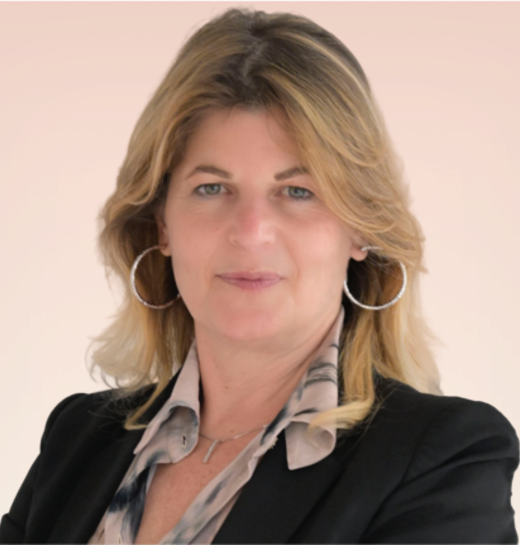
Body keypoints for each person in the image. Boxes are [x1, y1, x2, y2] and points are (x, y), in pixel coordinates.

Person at [1, 6, 518, 545]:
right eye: (211, 188)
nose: (250, 232)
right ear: (162, 224)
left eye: (298, 191)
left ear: (361, 228)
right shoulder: (77, 440)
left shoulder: (444, 462)